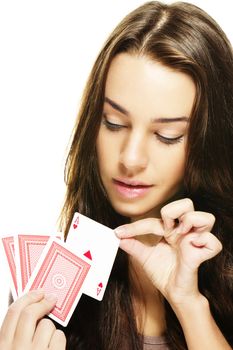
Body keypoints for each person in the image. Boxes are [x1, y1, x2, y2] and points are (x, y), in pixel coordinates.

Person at [0, 1, 233, 349]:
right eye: (114, 123)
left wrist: (189, 305)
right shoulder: (48, 294)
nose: (131, 158)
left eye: (166, 135)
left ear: (206, 143)